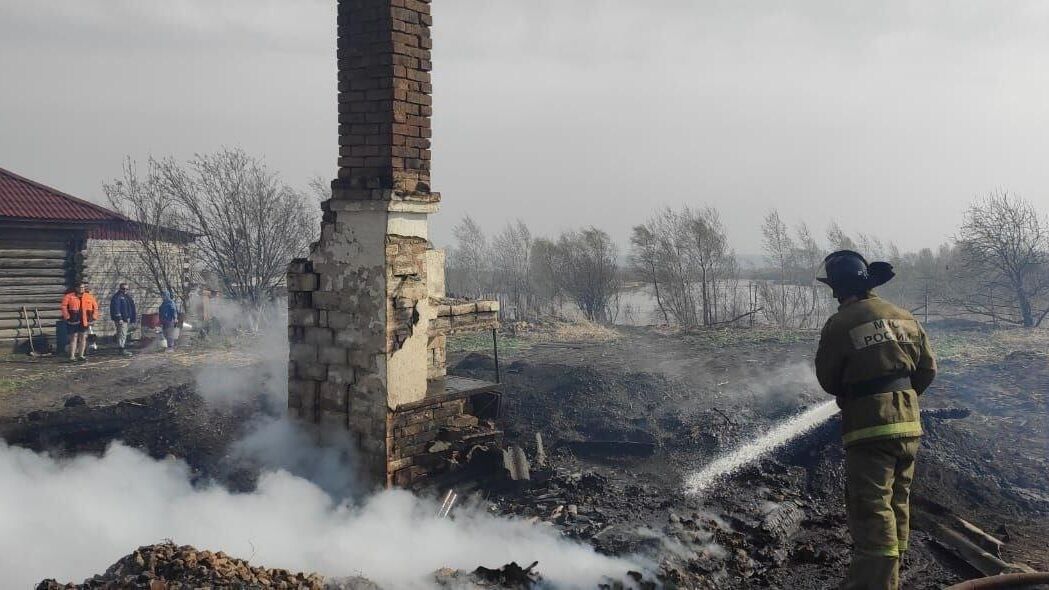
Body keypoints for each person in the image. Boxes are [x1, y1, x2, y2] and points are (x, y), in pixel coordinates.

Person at [814, 251, 937, 590]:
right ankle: (891, 578)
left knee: (872, 510)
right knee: (898, 502)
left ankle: (875, 584)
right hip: (909, 426)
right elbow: (927, 370)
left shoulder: (841, 323)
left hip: (870, 429)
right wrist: (902, 399)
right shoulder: (904, 316)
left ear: (838, 289)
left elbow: (828, 379)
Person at [60, 282, 99, 362]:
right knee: (73, 338)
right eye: (80, 287)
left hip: (85, 321)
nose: (81, 289)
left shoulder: (89, 297)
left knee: (83, 338)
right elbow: (64, 307)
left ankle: (81, 355)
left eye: (83, 287)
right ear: (76, 288)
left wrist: (93, 318)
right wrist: (67, 317)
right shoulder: (69, 296)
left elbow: (95, 308)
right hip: (73, 321)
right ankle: (72, 356)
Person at [109, 282, 138, 356]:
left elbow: (132, 307)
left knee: (124, 333)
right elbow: (116, 308)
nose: (125, 290)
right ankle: (121, 349)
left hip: (127, 319)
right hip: (121, 319)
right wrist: (119, 318)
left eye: (126, 289)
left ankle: (118, 340)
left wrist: (133, 318)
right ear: (120, 288)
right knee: (122, 334)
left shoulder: (127, 297)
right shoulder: (117, 297)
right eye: (123, 289)